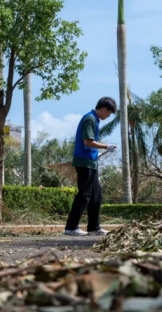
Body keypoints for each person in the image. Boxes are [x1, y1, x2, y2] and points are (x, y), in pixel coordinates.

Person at [64, 97, 118, 236]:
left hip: (91, 162)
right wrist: (107, 146)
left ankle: (94, 227)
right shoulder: (90, 119)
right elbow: (88, 142)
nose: (109, 116)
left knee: (96, 195)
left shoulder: (95, 119)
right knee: (85, 194)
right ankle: (71, 228)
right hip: (84, 162)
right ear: (104, 109)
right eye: (109, 113)